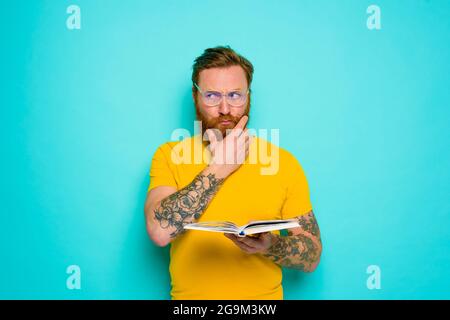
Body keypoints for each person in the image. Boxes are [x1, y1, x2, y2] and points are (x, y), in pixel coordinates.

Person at [144, 46, 322, 300]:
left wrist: (271, 245)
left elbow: (312, 256)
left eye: (235, 95)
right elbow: (159, 232)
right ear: (195, 97)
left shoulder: (283, 162)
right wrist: (221, 167)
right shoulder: (169, 155)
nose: (225, 108)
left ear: (249, 96)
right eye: (212, 95)